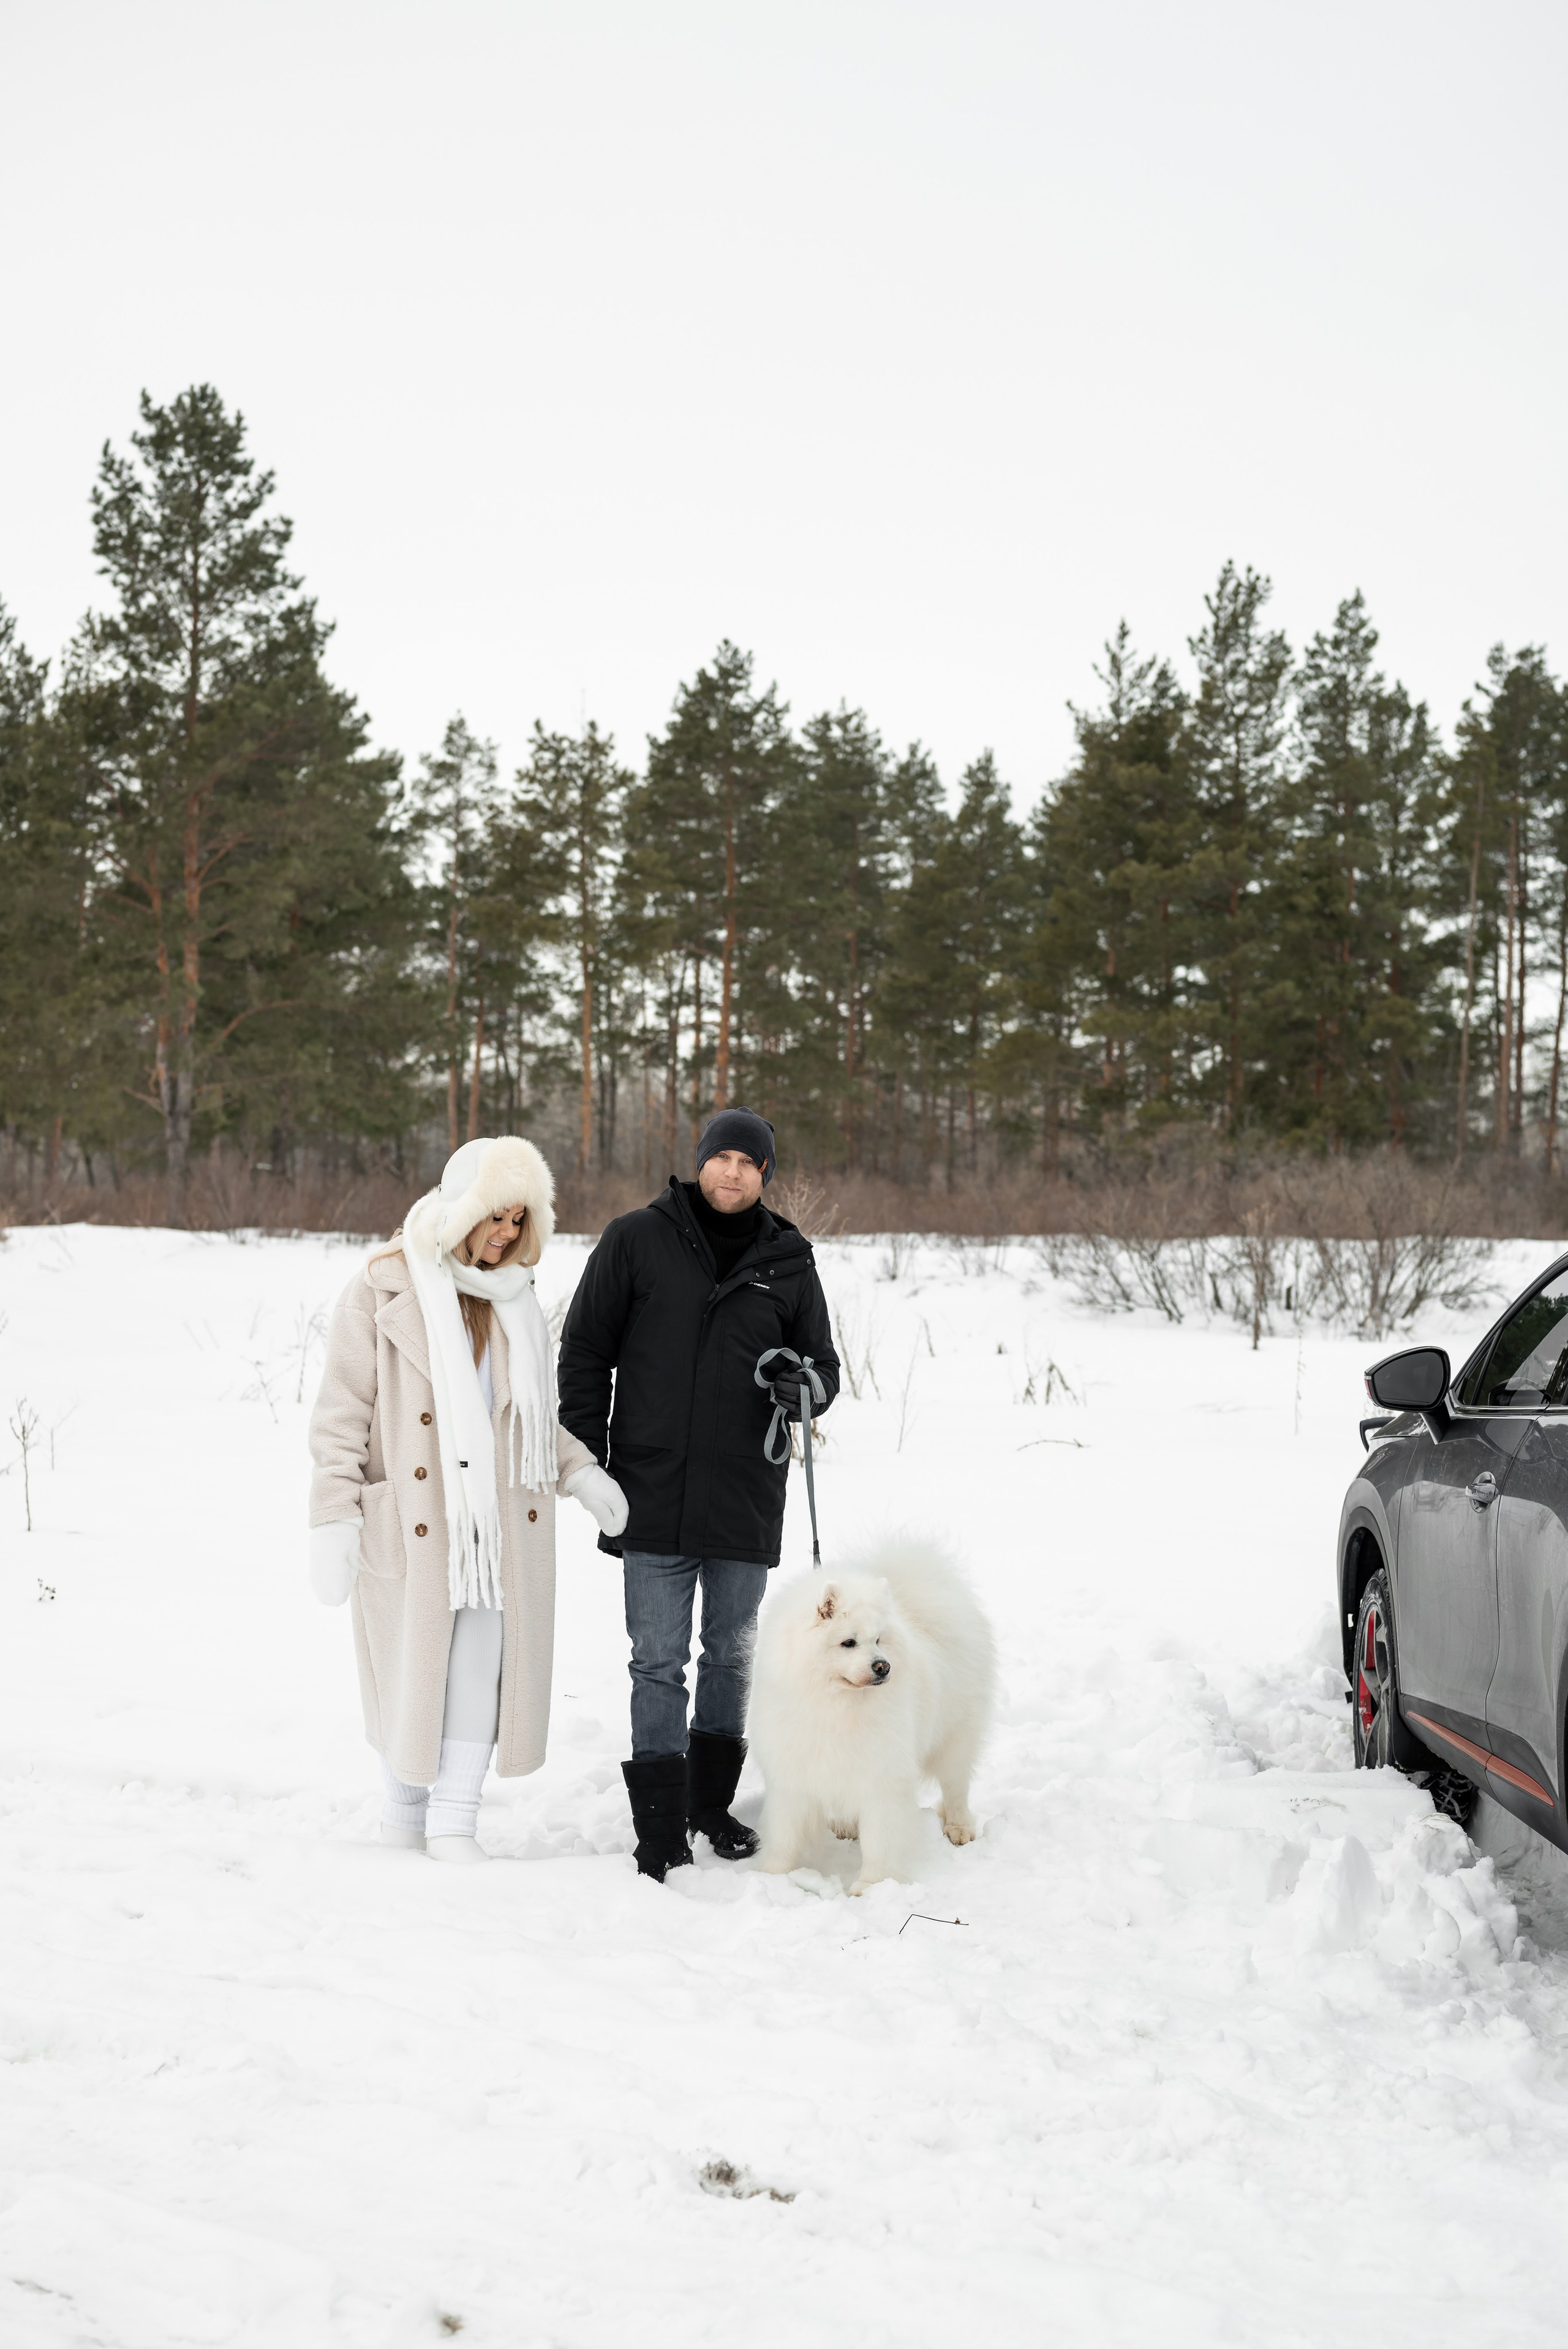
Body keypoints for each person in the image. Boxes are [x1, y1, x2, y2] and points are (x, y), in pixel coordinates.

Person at [307, 1136, 628, 1860]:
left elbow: (528, 1420)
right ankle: (401, 1817)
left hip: (495, 1525)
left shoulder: (513, 1299)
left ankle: (455, 1820)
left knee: (479, 1668)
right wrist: (333, 1514)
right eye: (495, 1216)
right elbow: (341, 1414)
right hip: (415, 1519)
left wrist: (580, 1474)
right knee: (412, 1667)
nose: (506, 1234)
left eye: (519, 1220)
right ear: (461, 1209)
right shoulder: (381, 1287)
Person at [557, 1108, 840, 1880]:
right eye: (724, 1157)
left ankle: (709, 1808)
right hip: (648, 1488)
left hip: (745, 1491)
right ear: (701, 1160)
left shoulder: (789, 1260)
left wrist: (805, 1387)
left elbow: (823, 1366)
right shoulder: (635, 1238)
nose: (734, 1172)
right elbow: (584, 1351)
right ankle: (659, 1830)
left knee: (731, 1659)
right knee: (656, 1661)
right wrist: (588, 1461)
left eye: (751, 1162)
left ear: (765, 1175)